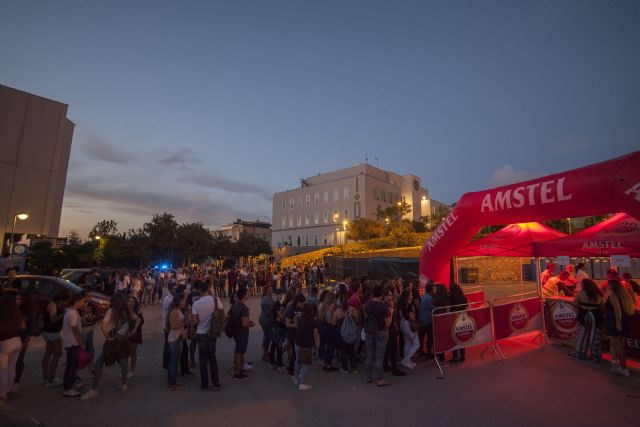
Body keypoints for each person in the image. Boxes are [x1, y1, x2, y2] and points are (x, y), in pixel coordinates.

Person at [81, 293, 140, 399]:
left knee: (99, 363)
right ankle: (124, 384)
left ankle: (94, 389)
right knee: (123, 360)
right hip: (124, 340)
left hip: (113, 342)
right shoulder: (126, 311)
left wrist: (107, 337)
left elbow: (103, 326)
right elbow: (137, 320)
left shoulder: (111, 311)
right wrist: (133, 331)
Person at [190, 281, 221, 391]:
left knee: (202, 360)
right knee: (212, 358)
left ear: (199, 291)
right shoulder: (216, 300)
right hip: (212, 332)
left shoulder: (196, 304)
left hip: (201, 332)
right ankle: (216, 383)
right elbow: (223, 314)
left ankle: (204, 384)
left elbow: (194, 321)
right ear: (208, 289)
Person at [568, 279, 604, 362]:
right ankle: (595, 356)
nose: (580, 285)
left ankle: (579, 353)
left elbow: (575, 304)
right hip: (596, 316)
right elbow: (602, 306)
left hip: (583, 315)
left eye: (581, 283)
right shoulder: (598, 293)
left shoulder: (580, 293)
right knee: (595, 336)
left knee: (582, 335)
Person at [605, 279, 635, 377]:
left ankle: (624, 368)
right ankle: (613, 365)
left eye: (608, 285)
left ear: (612, 287)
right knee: (614, 343)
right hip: (620, 321)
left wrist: (618, 324)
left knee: (618, 346)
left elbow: (617, 310)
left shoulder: (613, 296)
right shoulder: (623, 296)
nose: (606, 286)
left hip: (615, 322)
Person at [364, 284, 393, 387]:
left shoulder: (367, 304)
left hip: (369, 331)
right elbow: (388, 323)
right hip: (381, 332)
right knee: (379, 356)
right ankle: (380, 379)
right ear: (381, 294)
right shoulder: (384, 307)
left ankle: (368, 376)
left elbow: (366, 317)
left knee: (369, 354)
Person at [42, 289, 70, 388]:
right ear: (61, 298)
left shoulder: (56, 304)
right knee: (57, 354)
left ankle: (46, 377)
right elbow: (53, 319)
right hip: (52, 333)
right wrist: (64, 314)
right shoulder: (53, 305)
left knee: (49, 353)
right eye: (66, 300)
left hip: (50, 332)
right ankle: (51, 380)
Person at [0, 295, 24, 402]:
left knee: (3, 370)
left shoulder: (3, 316)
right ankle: (8, 388)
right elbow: (23, 327)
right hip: (17, 342)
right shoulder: (17, 315)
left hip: (5, 343)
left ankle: (2, 394)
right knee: (11, 367)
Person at [62, 293, 86, 397]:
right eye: (82, 301)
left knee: (73, 365)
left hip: (73, 343)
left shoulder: (73, 312)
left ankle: (71, 385)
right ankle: (68, 388)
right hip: (72, 343)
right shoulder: (72, 314)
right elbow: (75, 330)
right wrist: (81, 343)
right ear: (76, 302)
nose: (83, 303)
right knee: (71, 366)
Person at [12, 292, 37, 393]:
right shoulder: (16, 309)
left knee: (19, 360)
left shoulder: (31, 312)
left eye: (20, 299)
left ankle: (16, 381)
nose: (17, 301)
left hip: (22, 338)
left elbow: (31, 328)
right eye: (17, 299)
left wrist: (26, 341)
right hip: (13, 337)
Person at [293, 303, 318, 391]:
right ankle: (302, 383)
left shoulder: (299, 318)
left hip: (298, 342)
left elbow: (295, 322)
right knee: (306, 364)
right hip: (307, 344)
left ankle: (295, 378)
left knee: (298, 361)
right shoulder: (313, 321)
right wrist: (317, 345)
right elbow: (315, 335)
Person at [231, 288, 255, 380]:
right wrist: (251, 324)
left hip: (236, 331)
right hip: (242, 332)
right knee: (240, 352)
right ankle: (238, 372)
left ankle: (239, 368)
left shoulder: (236, 305)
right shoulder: (244, 308)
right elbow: (245, 324)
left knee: (238, 350)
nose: (248, 295)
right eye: (247, 293)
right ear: (244, 295)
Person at [398, 290, 419, 370]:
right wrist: (414, 315)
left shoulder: (400, 305)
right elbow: (412, 317)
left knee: (407, 343)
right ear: (408, 297)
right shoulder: (409, 305)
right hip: (409, 325)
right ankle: (406, 360)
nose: (412, 296)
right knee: (416, 344)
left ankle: (407, 361)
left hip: (402, 325)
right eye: (410, 295)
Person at [285, 294, 306, 376]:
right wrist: (299, 325)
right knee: (296, 352)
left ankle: (292, 368)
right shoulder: (291, 309)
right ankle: (292, 369)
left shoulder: (301, 308)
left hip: (299, 333)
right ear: (297, 302)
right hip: (293, 334)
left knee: (296, 352)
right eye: (302, 303)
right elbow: (288, 324)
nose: (303, 304)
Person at [449, 283, 468, 363]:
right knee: (461, 337)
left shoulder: (451, 298)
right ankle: (462, 355)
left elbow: (450, 308)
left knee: (455, 338)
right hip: (463, 319)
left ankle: (455, 356)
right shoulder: (463, 297)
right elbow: (466, 306)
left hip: (454, 319)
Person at [433, 283, 450, 363]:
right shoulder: (446, 298)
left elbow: (434, 307)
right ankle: (442, 355)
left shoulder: (437, 298)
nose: (434, 290)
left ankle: (440, 355)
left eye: (435, 289)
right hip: (444, 319)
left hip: (438, 320)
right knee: (442, 337)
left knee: (438, 337)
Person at [270, 288, 286, 370]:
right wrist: (285, 312)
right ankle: (279, 363)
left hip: (277, 325)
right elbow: (281, 317)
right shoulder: (277, 304)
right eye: (280, 294)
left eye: (282, 294)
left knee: (274, 344)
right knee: (278, 344)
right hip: (277, 326)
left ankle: (272, 361)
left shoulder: (281, 303)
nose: (282, 296)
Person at [128, 296, 144, 378]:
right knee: (125, 353)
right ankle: (126, 370)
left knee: (132, 352)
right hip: (125, 335)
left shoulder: (137, 312)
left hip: (135, 335)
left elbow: (141, 321)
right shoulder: (125, 311)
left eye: (132, 301)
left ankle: (132, 370)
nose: (130, 303)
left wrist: (134, 329)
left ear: (135, 303)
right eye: (129, 301)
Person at [418, 282, 435, 358]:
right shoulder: (429, 298)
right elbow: (433, 307)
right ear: (431, 290)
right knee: (430, 337)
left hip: (422, 319)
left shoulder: (425, 296)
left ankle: (421, 351)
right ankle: (428, 353)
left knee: (422, 337)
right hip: (427, 320)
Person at [259, 286, 275, 362]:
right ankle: (265, 354)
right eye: (270, 290)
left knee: (267, 336)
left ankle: (266, 352)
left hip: (265, 319)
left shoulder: (268, 298)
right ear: (267, 291)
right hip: (266, 320)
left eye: (271, 289)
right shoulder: (266, 300)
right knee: (268, 336)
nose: (272, 291)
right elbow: (271, 311)